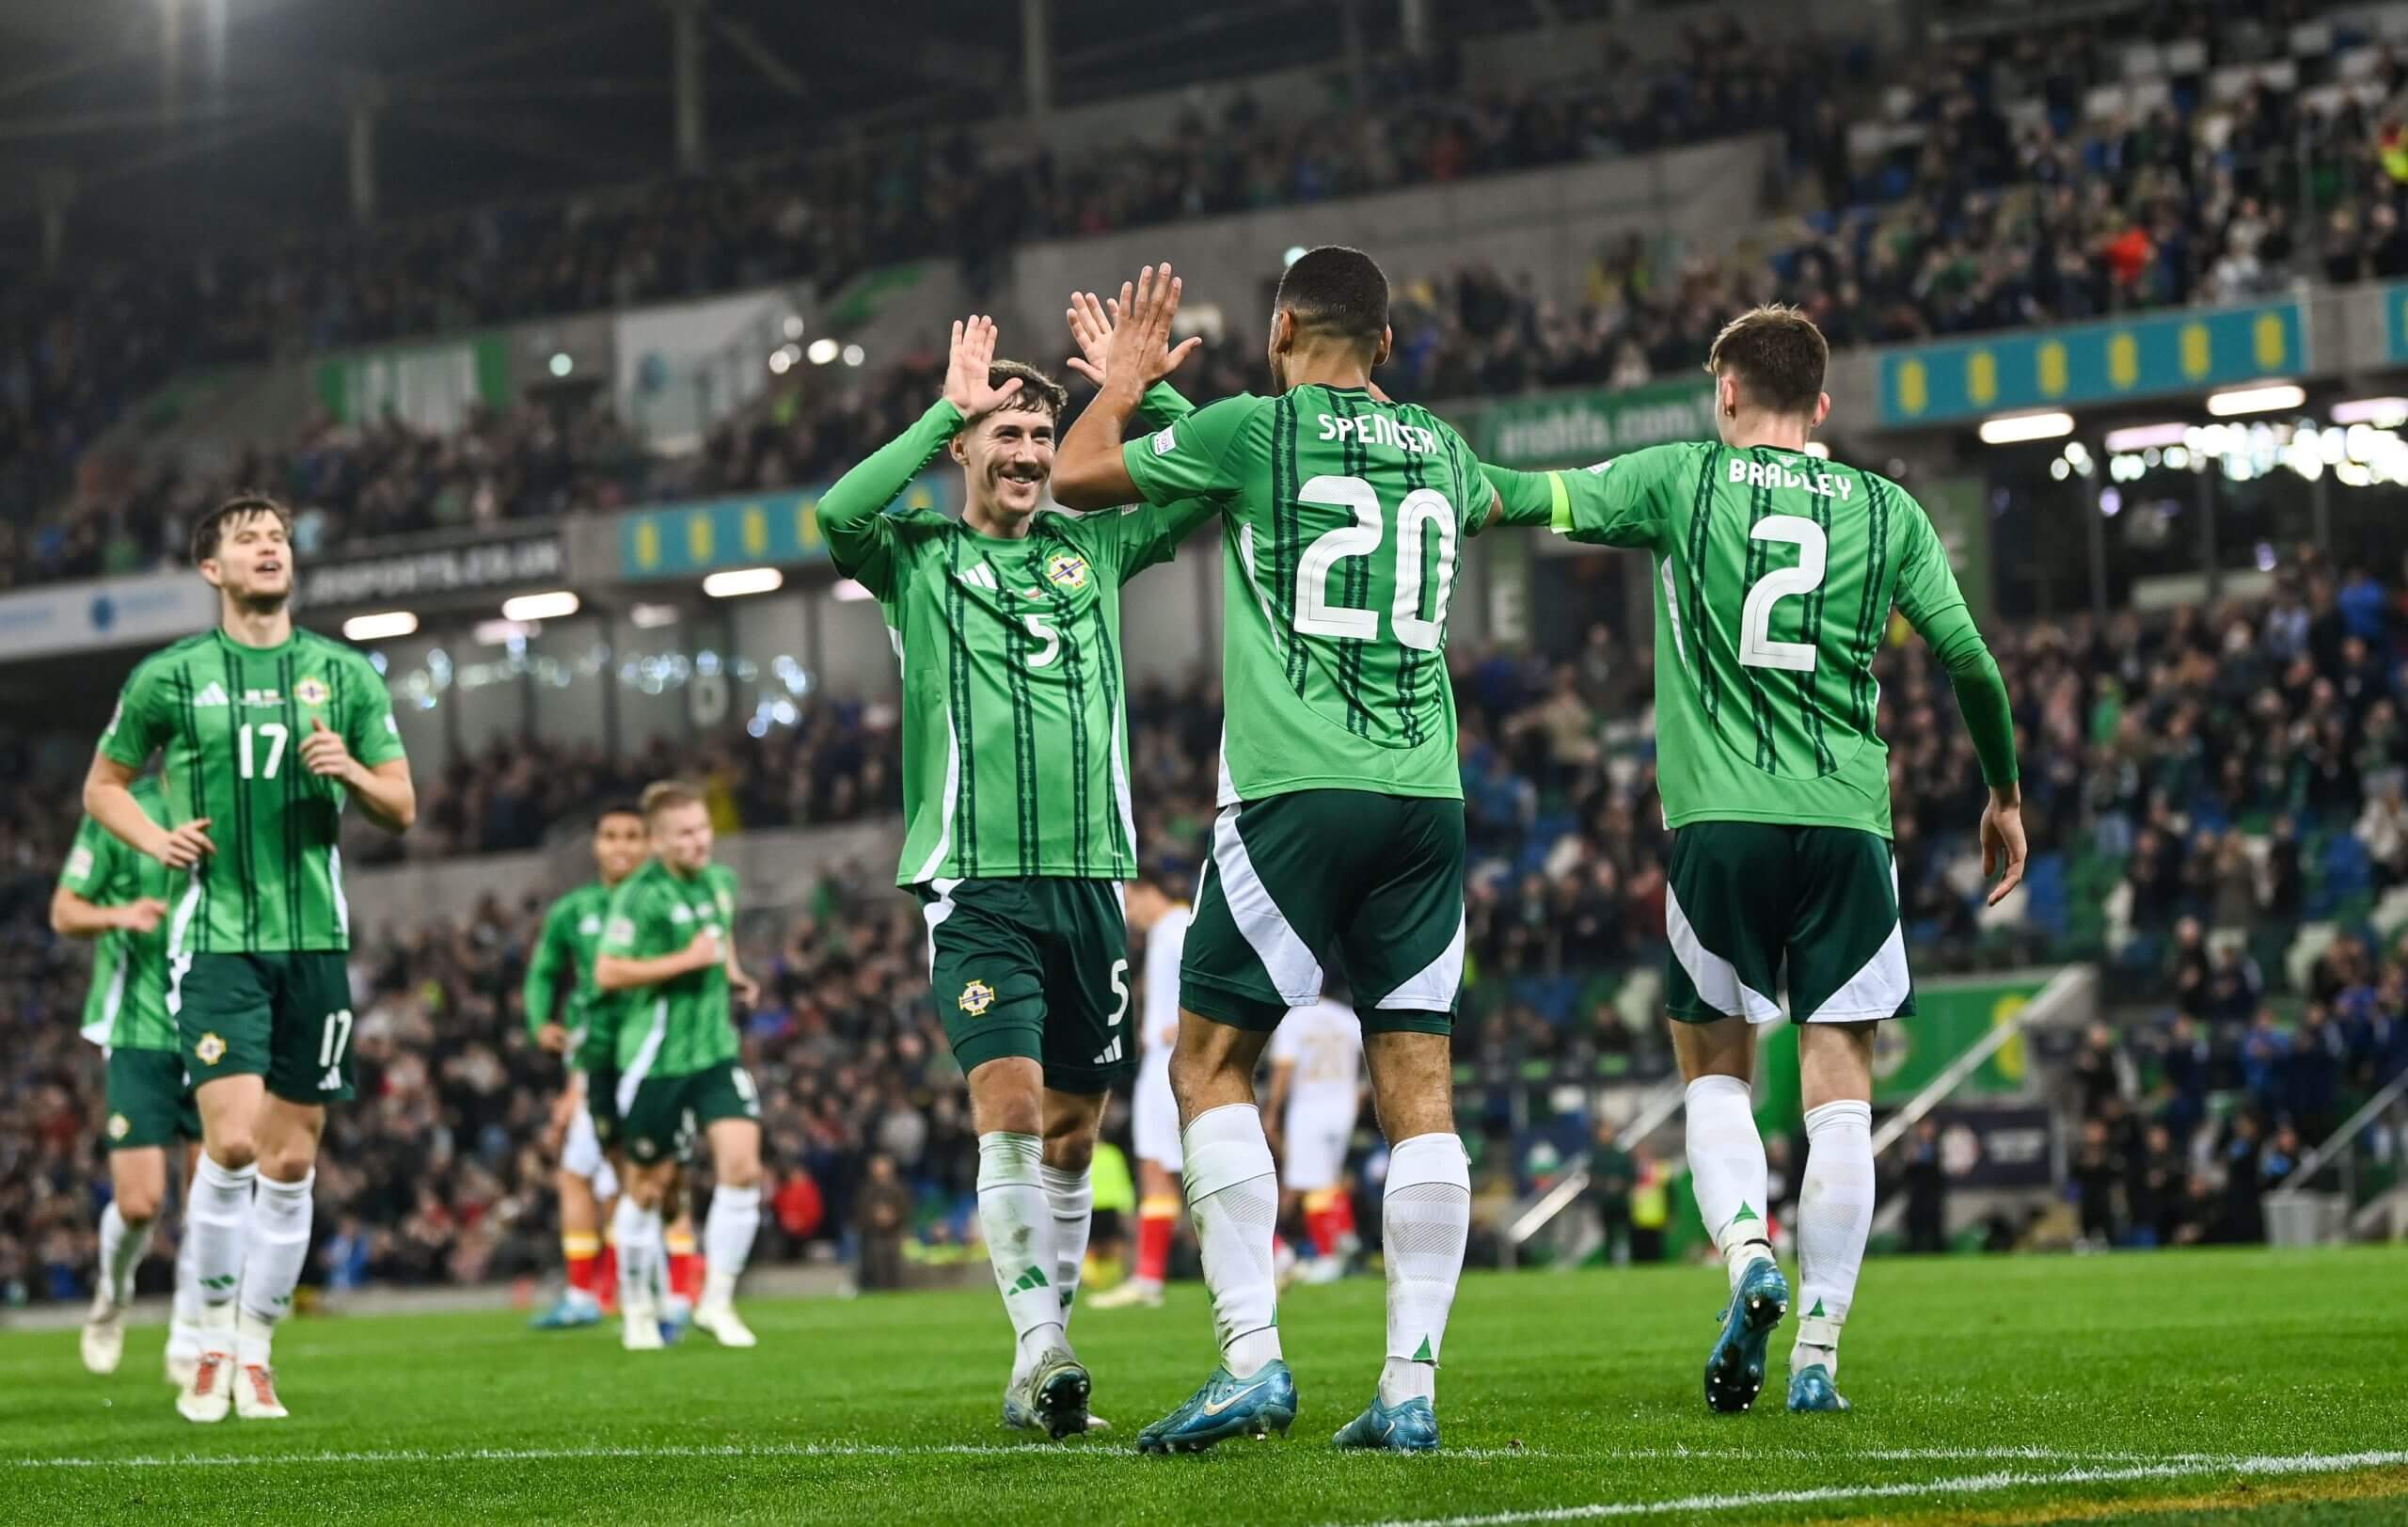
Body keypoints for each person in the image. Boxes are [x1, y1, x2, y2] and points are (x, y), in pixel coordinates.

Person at [1481, 304, 2023, 1416]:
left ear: (1724, 391)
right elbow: (1969, 660)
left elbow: (1527, 496)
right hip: (1845, 823)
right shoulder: (1887, 508)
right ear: (1820, 404)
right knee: (1841, 1095)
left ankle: (1744, 1255)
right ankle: (1817, 1359)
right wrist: (2003, 792)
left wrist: (1428, 468)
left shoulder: (1681, 478)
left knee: (1714, 1067)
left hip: (1719, 823)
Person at [1054, 252, 1507, 1455]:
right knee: (1420, 1091)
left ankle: (1252, 1361)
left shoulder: (1252, 435)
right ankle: (1408, 1393)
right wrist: (1166, 404)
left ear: (1283, 325)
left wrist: (1121, 386)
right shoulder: (1441, 450)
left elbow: (1079, 472)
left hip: (1295, 792)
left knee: (1206, 1067)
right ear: (1389, 344)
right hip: (1426, 798)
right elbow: (1305, 468)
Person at [813, 305, 1212, 1440]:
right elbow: (838, 511)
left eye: (1043, 435)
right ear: (964, 454)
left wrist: (1138, 390)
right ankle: (1042, 1349)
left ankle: (1043, 1354)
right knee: (1013, 1111)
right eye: (1007, 436)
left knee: (1076, 1136)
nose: (1032, 454)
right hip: (974, 881)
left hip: (1091, 880)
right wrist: (950, 400)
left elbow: (1208, 481)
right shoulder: (916, 559)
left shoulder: (1096, 544)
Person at [84, 493, 416, 1423]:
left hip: (316, 938)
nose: (270, 548)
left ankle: (257, 1350)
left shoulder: (343, 675)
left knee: (292, 1162)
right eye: (248, 539)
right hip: (218, 937)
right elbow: (103, 784)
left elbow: (403, 803)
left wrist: (352, 773)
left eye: (278, 537)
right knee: (229, 1143)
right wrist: (154, 839)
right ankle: (207, 1339)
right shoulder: (171, 677)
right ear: (212, 569)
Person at [593, 780, 764, 1351]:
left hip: (714, 1051)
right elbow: (609, 971)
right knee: (648, 1187)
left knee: (742, 1167)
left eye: (703, 829)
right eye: (686, 833)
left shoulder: (721, 882)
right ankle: (638, 1305)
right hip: (655, 1059)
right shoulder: (638, 896)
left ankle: (715, 1300)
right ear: (660, 841)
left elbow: (720, 936)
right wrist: (683, 962)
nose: (699, 841)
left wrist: (732, 972)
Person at [54, 774, 205, 1383]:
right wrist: (122, 914)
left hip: (214, 1027)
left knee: (209, 1200)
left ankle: (191, 1337)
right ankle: (112, 1295)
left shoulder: (224, 797)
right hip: (138, 1031)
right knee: (141, 1202)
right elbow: (64, 910)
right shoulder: (122, 809)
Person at [523, 804, 648, 1330]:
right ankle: (599, 1289)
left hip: (646, 1046)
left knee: (620, 1173)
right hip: (592, 1049)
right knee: (584, 1172)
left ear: (647, 845)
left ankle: (604, 1288)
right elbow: (544, 969)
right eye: (611, 836)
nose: (620, 847)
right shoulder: (574, 910)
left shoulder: (658, 901)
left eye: (632, 837)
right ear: (596, 844)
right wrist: (538, 1021)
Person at [1092, 873, 1193, 1311]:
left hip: (1171, 1059)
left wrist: (1187, 1024)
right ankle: (1148, 1277)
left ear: (1151, 889)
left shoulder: (1177, 927)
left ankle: (1149, 1278)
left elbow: (1207, 973)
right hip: (1162, 1059)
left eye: (1129, 902)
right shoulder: (1167, 931)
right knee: (1167, 1169)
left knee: (1169, 1167)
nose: (1128, 915)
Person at [1267, 988, 1365, 1281]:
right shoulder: (1344, 1017)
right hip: (1343, 1105)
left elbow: (1284, 1067)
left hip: (1310, 1106)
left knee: (1312, 1183)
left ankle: (1327, 1254)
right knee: (1330, 1177)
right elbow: (1372, 1054)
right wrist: (1361, 1093)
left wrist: (1273, 1109)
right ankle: (1345, 1233)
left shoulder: (1294, 1020)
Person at [856, 1154, 913, 1293]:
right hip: (874, 1235)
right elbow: (860, 1213)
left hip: (895, 1235)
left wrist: (892, 1217)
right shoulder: (866, 1191)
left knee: (897, 1268)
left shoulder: (899, 1189)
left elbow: (907, 1210)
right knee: (876, 1266)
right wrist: (876, 1217)